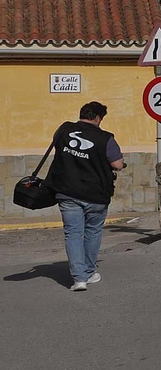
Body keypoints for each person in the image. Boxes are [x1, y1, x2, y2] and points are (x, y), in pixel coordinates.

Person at [45, 101, 125, 291]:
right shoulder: (106, 138)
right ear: (97, 118)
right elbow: (118, 164)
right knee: (93, 232)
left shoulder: (64, 130)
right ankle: (89, 272)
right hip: (96, 194)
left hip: (68, 192)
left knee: (73, 234)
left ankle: (79, 279)